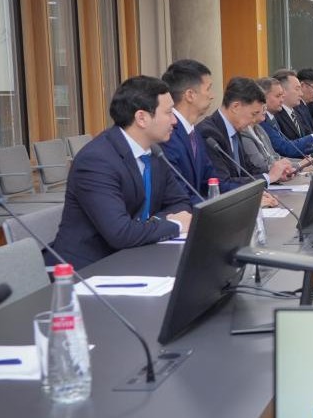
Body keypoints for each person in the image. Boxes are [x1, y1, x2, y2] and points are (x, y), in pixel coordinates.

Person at [51, 76, 192, 269]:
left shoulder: (154, 153)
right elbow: (121, 233)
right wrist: (174, 225)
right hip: (90, 268)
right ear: (141, 118)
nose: (175, 121)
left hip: (137, 255)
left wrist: (152, 224)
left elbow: (180, 203)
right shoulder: (96, 161)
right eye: (168, 113)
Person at [196, 77, 290, 195]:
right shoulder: (209, 134)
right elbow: (221, 184)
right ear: (236, 107)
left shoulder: (235, 129)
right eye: (253, 114)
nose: (255, 120)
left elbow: (249, 171)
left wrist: (276, 173)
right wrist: (268, 178)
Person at [159, 59, 233, 198]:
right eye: (208, 89)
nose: (212, 96)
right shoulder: (167, 135)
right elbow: (180, 195)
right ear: (190, 95)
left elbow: (212, 182)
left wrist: (253, 194)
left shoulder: (194, 132)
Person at [271, 69, 313, 148]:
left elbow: (304, 139)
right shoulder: (275, 115)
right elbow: (285, 148)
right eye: (297, 89)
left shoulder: (297, 111)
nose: (301, 93)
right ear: (282, 91)